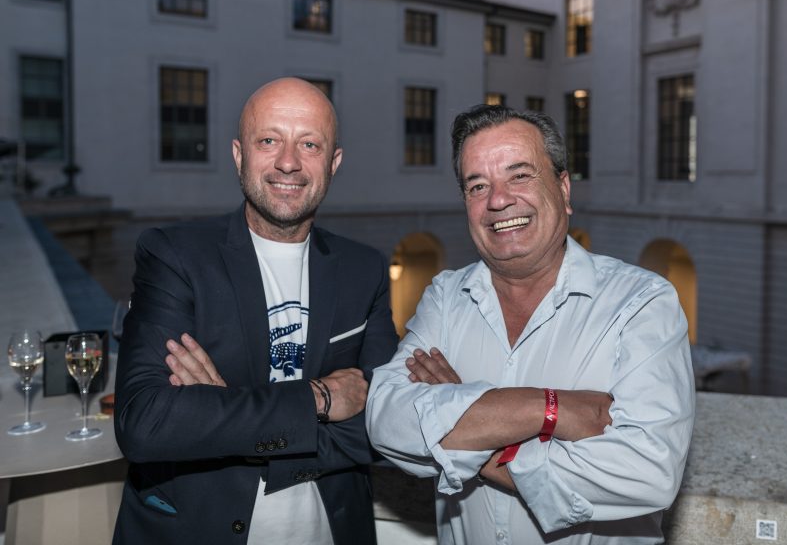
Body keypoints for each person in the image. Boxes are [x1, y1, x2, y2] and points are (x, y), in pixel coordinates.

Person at [366, 104, 695, 544]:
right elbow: (386, 420)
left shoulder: (641, 303)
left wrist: (466, 426)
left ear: (563, 188)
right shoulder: (445, 296)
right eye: (477, 185)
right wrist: (549, 408)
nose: (498, 200)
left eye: (519, 175)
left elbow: (648, 472)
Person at [113, 78, 398, 544]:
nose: (288, 161)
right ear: (239, 154)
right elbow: (146, 423)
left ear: (333, 162)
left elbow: (389, 423)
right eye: (268, 141)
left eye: (310, 144)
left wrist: (223, 416)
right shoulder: (175, 256)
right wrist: (319, 399)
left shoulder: (363, 269)